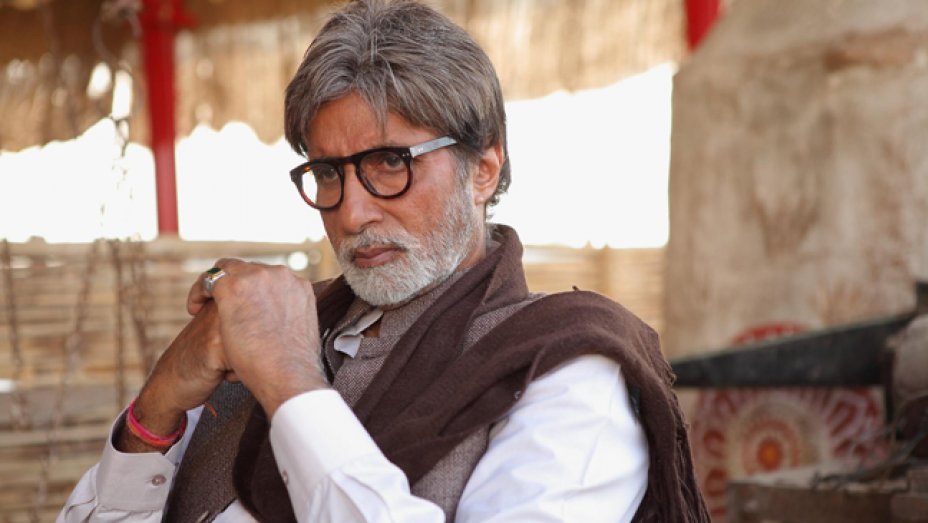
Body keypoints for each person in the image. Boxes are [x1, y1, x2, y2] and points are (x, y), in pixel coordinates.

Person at [58, 1, 709, 521]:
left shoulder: (568, 370)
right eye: (328, 173)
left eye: (390, 163)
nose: (351, 212)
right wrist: (156, 409)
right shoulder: (276, 328)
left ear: (483, 170)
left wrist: (291, 383)